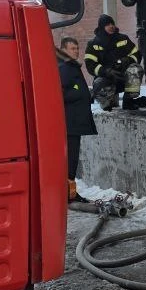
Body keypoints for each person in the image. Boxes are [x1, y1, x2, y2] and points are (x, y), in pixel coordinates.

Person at [56, 36, 97, 203]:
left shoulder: (71, 66)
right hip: (70, 123)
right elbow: (58, 94)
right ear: (63, 50)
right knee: (70, 159)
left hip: (74, 122)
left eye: (77, 48)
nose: (76, 51)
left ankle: (69, 192)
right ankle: (69, 194)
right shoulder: (65, 68)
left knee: (71, 159)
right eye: (72, 48)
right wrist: (78, 93)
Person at [84, 14, 142, 111]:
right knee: (99, 84)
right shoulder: (93, 44)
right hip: (106, 77)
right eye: (107, 24)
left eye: (112, 24)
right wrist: (106, 71)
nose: (111, 26)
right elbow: (90, 65)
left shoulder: (123, 39)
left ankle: (128, 100)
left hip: (123, 76)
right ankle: (107, 102)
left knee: (136, 69)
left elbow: (136, 54)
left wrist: (127, 60)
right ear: (102, 27)